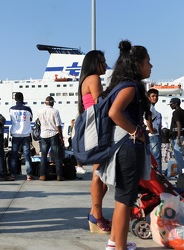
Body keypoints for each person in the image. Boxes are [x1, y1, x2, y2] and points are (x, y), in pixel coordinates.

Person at [100, 40, 152, 250]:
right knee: (125, 200)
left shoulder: (121, 85)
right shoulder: (130, 87)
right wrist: (135, 131)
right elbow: (114, 113)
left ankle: (115, 242)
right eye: (148, 62)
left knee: (122, 198)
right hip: (128, 149)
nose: (151, 66)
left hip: (121, 148)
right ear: (137, 64)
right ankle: (119, 247)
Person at [77, 50, 110, 233]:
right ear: (95, 63)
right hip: (97, 128)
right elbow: (101, 105)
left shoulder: (86, 80)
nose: (105, 65)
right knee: (99, 173)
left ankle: (94, 213)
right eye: (103, 62)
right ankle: (97, 215)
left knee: (102, 173)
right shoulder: (94, 78)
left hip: (92, 128)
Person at [37, 96, 64, 181]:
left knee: (43, 156)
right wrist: (61, 136)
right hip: (53, 134)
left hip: (43, 135)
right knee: (57, 156)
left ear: (45, 102)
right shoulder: (55, 112)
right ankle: (59, 176)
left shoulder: (40, 111)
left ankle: (42, 175)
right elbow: (58, 125)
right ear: (52, 103)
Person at [9, 92, 35, 180]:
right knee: (27, 155)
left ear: (15, 99)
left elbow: (11, 119)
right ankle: (29, 175)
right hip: (26, 134)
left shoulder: (11, 109)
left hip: (16, 134)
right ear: (23, 98)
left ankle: (13, 174)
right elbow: (31, 119)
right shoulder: (28, 109)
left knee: (14, 155)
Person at [145, 89, 162, 172]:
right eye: (153, 96)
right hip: (153, 136)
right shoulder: (150, 107)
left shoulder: (149, 106)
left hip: (149, 135)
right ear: (148, 97)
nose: (155, 98)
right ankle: (159, 176)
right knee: (156, 157)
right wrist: (151, 129)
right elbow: (148, 117)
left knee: (152, 158)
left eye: (156, 96)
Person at [169, 97, 184, 176]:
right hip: (181, 135)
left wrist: (178, 138)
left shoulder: (176, 112)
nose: (170, 106)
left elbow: (178, 124)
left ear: (176, 104)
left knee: (178, 156)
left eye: (171, 104)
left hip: (177, 136)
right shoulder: (183, 112)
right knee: (179, 155)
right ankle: (180, 173)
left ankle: (181, 174)